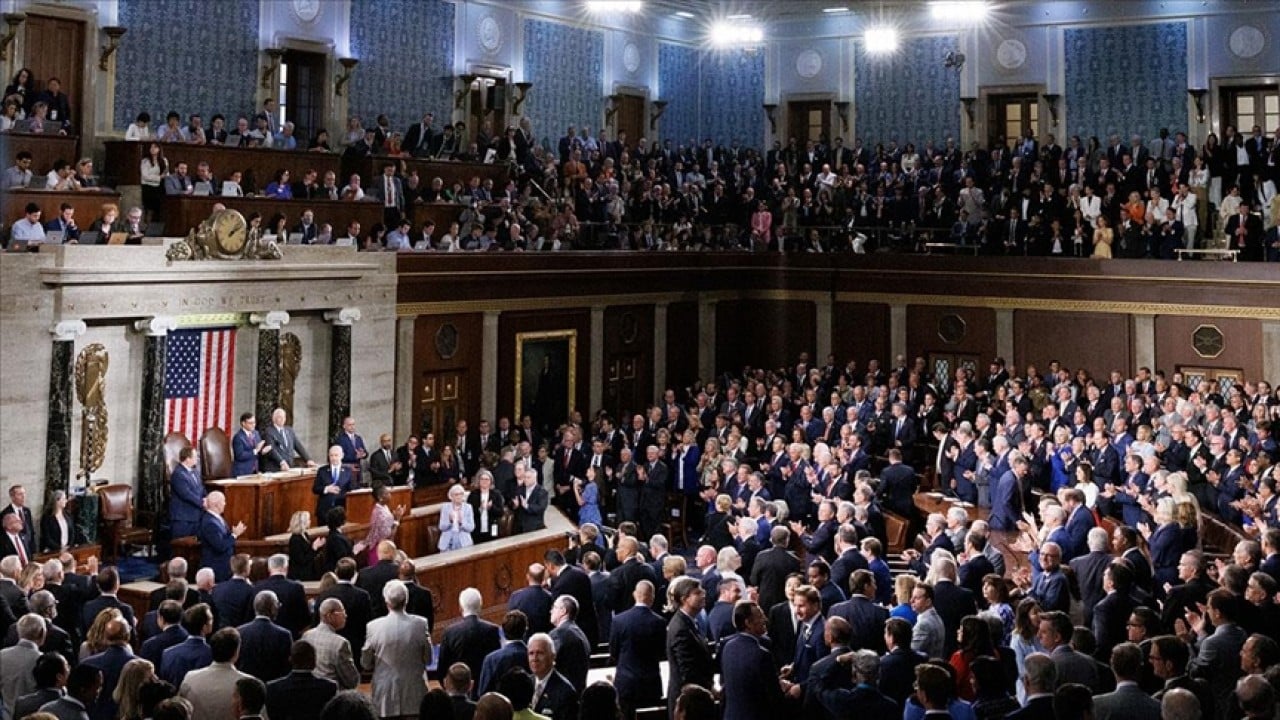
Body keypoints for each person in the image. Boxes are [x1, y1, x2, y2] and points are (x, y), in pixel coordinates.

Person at [361, 580, 431, 719]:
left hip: (385, 696)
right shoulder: (421, 624)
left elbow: (366, 663)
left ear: (386, 602)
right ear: (406, 601)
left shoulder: (373, 627)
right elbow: (428, 659)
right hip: (414, 694)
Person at [438, 588, 502, 698]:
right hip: (485, 692)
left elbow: (442, 668)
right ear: (480, 605)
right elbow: (495, 665)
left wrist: (449, 690)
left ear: (460, 607)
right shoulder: (492, 630)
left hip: (457, 690)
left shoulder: (450, 632)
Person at [665, 577, 713, 718]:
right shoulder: (681, 627)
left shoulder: (690, 622)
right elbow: (687, 670)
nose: (703, 595)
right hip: (688, 703)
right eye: (698, 593)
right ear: (685, 598)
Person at [526, 633, 578, 720]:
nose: (534, 658)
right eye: (531, 653)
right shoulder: (525, 684)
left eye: (540, 653)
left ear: (553, 656)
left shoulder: (565, 692)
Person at [197, 492, 245, 583]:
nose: (225, 504)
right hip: (217, 567)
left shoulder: (216, 518)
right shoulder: (209, 522)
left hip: (224, 566)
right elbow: (220, 546)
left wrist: (232, 533)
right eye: (223, 501)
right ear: (216, 504)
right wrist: (234, 535)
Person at [169, 448, 205, 539]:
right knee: (181, 548)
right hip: (183, 519)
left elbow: (201, 488)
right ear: (187, 459)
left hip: (196, 517)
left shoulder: (195, 472)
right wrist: (203, 503)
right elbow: (186, 494)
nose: (197, 459)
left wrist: (207, 498)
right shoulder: (178, 474)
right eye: (195, 457)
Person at [230, 412, 270, 477]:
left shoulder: (256, 433)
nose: (253, 425)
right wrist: (255, 451)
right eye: (250, 423)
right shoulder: (238, 437)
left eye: (254, 422)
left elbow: (258, 450)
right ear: (243, 423)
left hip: (255, 470)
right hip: (242, 472)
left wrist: (263, 451)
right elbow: (240, 456)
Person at [438, 483, 476, 552]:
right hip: (448, 542)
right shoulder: (445, 507)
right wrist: (450, 520)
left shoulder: (468, 507)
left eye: (461, 494)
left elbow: (471, 527)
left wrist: (461, 522)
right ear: (451, 496)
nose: (459, 497)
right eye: (456, 494)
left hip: (464, 542)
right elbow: (441, 527)